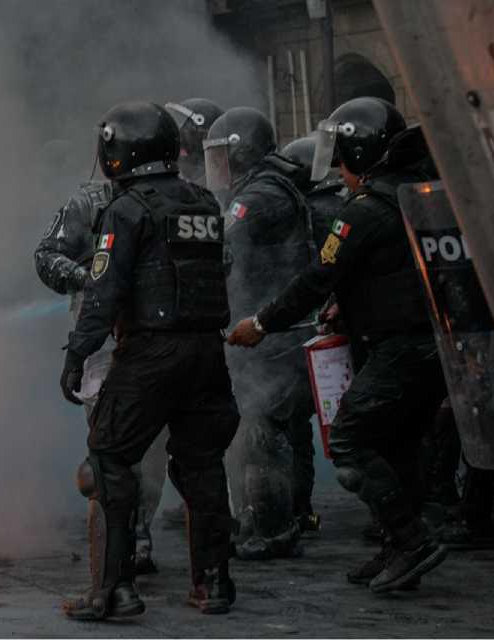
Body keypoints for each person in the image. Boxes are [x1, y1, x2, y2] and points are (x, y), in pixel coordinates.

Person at [226, 97, 449, 593]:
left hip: (396, 348)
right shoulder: (418, 195)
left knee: (350, 439)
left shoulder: (363, 212)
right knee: (399, 446)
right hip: (430, 346)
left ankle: (412, 541)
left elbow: (316, 278)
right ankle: (397, 548)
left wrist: (261, 323)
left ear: (358, 152)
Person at [59, 101, 239, 620]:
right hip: (207, 351)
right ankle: (213, 584)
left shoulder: (126, 209)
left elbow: (103, 290)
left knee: (109, 459)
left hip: (151, 353)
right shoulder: (203, 202)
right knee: (202, 465)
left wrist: (78, 354)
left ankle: (114, 590)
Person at [34, 171, 167, 575]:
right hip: (102, 340)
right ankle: (119, 543)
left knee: (154, 447)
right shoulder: (86, 203)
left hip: (157, 340)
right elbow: (46, 257)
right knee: (109, 444)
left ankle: (138, 535)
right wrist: (90, 279)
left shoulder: (177, 201)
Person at [204, 108, 316, 557]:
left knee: (261, 432)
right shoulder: (266, 186)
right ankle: (259, 519)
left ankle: (273, 529)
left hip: (269, 333)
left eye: (223, 155)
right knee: (254, 430)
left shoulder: (262, 193)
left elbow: (222, 245)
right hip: (265, 326)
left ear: (242, 149)